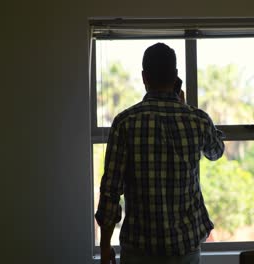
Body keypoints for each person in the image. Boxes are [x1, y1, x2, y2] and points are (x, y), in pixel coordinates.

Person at [95, 42, 225, 264]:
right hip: (185, 246)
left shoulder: (125, 122)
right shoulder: (197, 120)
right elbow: (216, 151)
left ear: (144, 77)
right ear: (175, 77)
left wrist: (105, 246)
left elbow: (111, 191)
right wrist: (188, 110)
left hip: (139, 248)